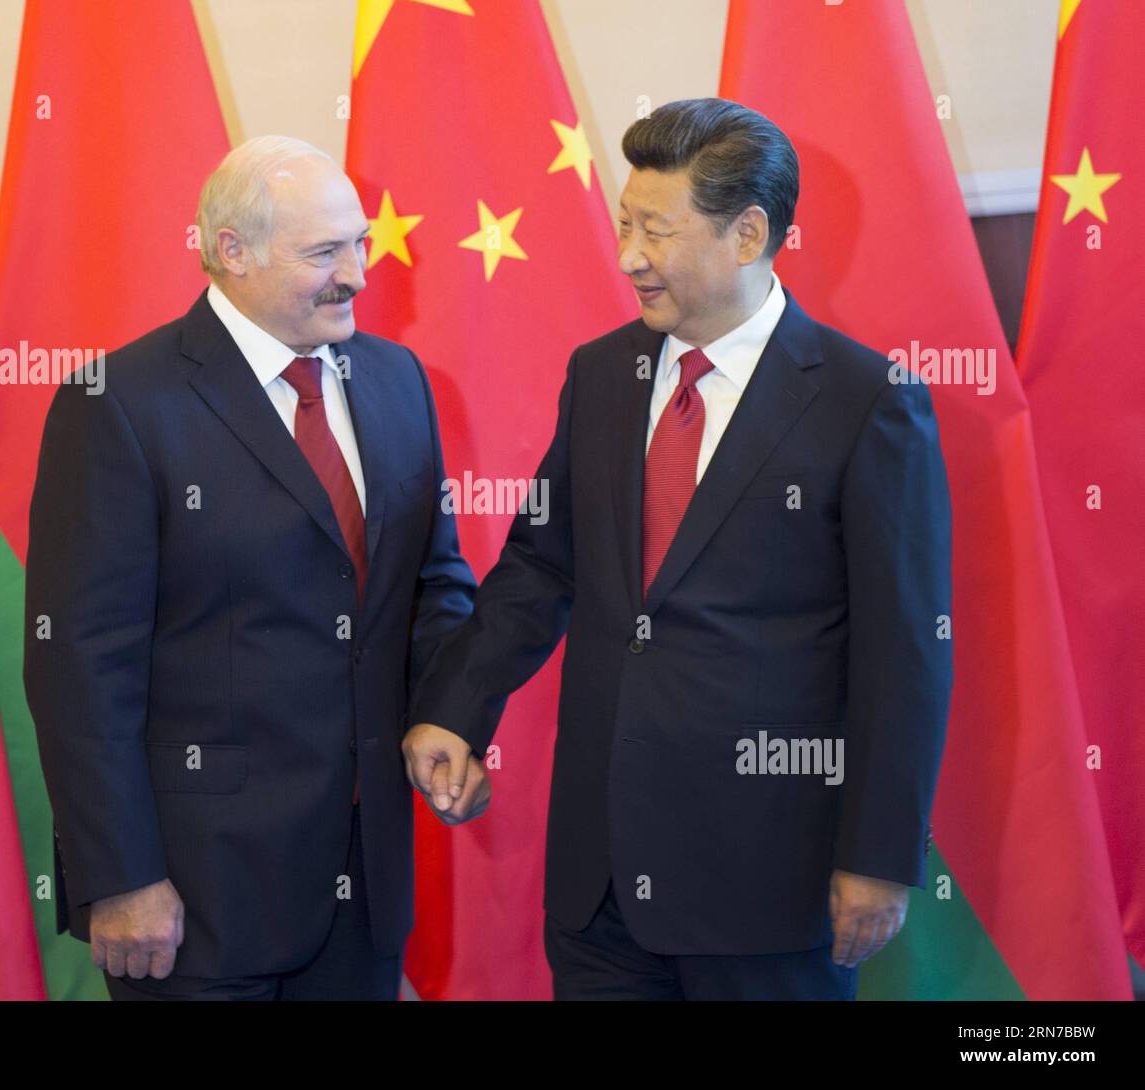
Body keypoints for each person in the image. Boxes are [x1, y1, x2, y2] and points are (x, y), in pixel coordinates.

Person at [404, 98, 952, 1000]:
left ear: (746, 234)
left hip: (769, 887)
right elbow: (542, 563)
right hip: (600, 888)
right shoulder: (601, 374)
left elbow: (907, 653)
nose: (627, 256)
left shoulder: (867, 401)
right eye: (625, 224)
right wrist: (459, 707)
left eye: (655, 231)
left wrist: (881, 856)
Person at [24, 136, 483, 1001]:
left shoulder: (396, 380)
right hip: (196, 902)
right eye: (324, 253)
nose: (357, 272)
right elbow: (79, 664)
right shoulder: (119, 405)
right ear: (230, 251)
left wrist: (453, 717)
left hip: (366, 889)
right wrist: (119, 876)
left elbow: (434, 586)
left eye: (360, 245)